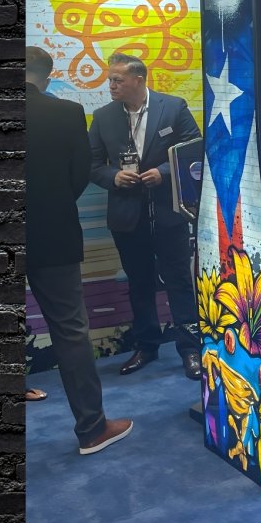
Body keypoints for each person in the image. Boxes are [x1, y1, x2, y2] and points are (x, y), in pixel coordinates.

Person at [26, 47, 133, 455]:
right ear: (46, 76)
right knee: (70, 331)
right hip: (52, 235)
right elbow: (77, 176)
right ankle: (92, 429)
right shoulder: (66, 113)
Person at [89, 52, 202, 379]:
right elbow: (91, 165)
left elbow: (195, 150)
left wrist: (164, 172)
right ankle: (147, 346)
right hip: (127, 215)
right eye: (110, 79)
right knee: (138, 283)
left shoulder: (174, 107)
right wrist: (113, 177)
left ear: (138, 80)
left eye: (117, 80)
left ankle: (190, 349)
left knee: (179, 280)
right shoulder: (103, 117)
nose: (111, 85)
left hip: (169, 212)